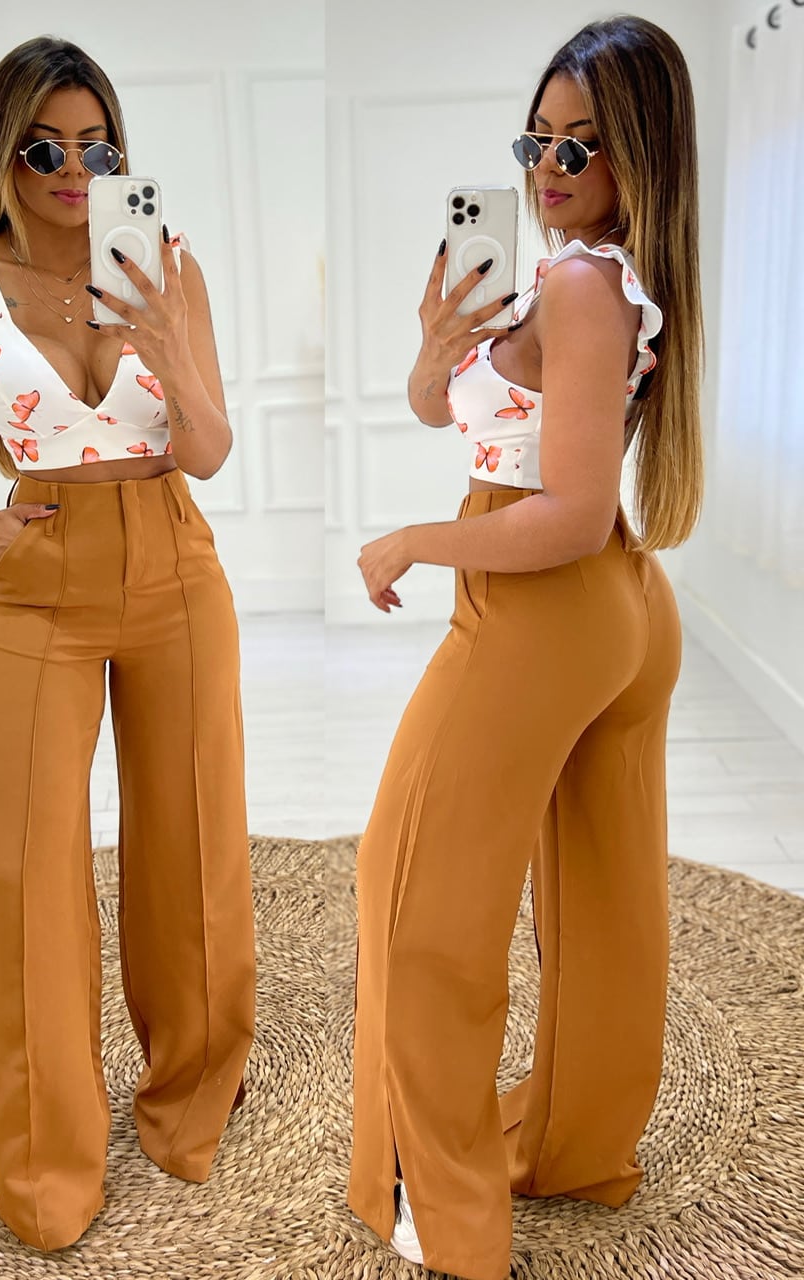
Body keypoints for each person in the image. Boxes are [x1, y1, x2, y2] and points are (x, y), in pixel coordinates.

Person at [0, 36, 255, 1252]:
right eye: (44, 150)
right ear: (3, 152)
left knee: (192, 843)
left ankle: (194, 1092)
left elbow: (209, 451)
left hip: (176, 560)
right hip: (35, 585)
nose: (75, 172)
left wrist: (169, 339)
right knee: (27, 870)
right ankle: (41, 1154)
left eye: (97, 148)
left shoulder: (166, 261)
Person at [349, 16, 702, 1280]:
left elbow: (566, 512)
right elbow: (454, 410)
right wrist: (435, 349)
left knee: (412, 897)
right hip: (620, 610)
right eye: (536, 140)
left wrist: (414, 539)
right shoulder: (590, 276)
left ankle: (445, 1213)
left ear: (638, 155)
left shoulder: (578, 285)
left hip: (547, 601)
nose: (550, 166)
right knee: (601, 904)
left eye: (582, 145)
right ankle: (577, 1144)